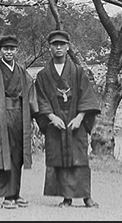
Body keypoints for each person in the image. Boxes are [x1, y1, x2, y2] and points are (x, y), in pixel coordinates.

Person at [34, 30, 101, 208]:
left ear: (67, 47)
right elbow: (40, 99)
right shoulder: (43, 75)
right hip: (54, 120)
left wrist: (80, 117)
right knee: (60, 158)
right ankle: (67, 197)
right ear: (49, 48)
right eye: (55, 44)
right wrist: (50, 117)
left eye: (62, 44)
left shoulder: (78, 72)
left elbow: (87, 95)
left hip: (75, 118)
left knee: (80, 158)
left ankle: (86, 196)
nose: (58, 47)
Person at [0, 35, 39, 209]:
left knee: (17, 155)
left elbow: (31, 94)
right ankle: (6, 196)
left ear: (16, 50)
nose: (9, 52)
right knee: (4, 155)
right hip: (0, 116)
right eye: (6, 49)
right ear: (0, 50)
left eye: (12, 49)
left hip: (20, 115)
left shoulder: (21, 71)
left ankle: (16, 193)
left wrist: (33, 117)